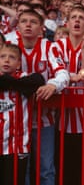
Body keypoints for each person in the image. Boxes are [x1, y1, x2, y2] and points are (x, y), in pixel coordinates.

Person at [6, 9, 70, 185]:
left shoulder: (50, 46)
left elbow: (63, 73)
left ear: (42, 28)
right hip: (15, 120)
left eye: (33, 22)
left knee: (46, 168)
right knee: (21, 169)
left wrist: (52, 85)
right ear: (17, 25)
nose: (28, 25)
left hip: (44, 119)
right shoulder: (9, 45)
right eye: (24, 21)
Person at [50, 6, 84, 185]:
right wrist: (75, 76)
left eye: (81, 18)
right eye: (74, 17)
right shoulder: (56, 47)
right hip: (61, 118)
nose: (77, 21)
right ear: (67, 22)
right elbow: (56, 73)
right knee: (63, 169)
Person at [0, 43, 45, 185]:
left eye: (12, 57)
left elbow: (38, 80)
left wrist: (8, 83)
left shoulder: (26, 78)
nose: (7, 60)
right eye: (2, 57)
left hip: (18, 146)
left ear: (19, 63)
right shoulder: (22, 82)